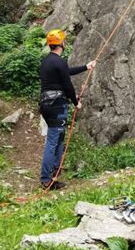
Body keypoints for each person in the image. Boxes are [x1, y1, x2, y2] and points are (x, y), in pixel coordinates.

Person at [39, 29, 96, 190]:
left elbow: (66, 72)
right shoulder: (59, 62)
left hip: (46, 105)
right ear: (62, 43)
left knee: (58, 139)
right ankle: (46, 179)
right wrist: (75, 102)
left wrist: (86, 66)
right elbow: (67, 85)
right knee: (53, 141)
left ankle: (54, 172)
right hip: (57, 105)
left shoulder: (47, 62)